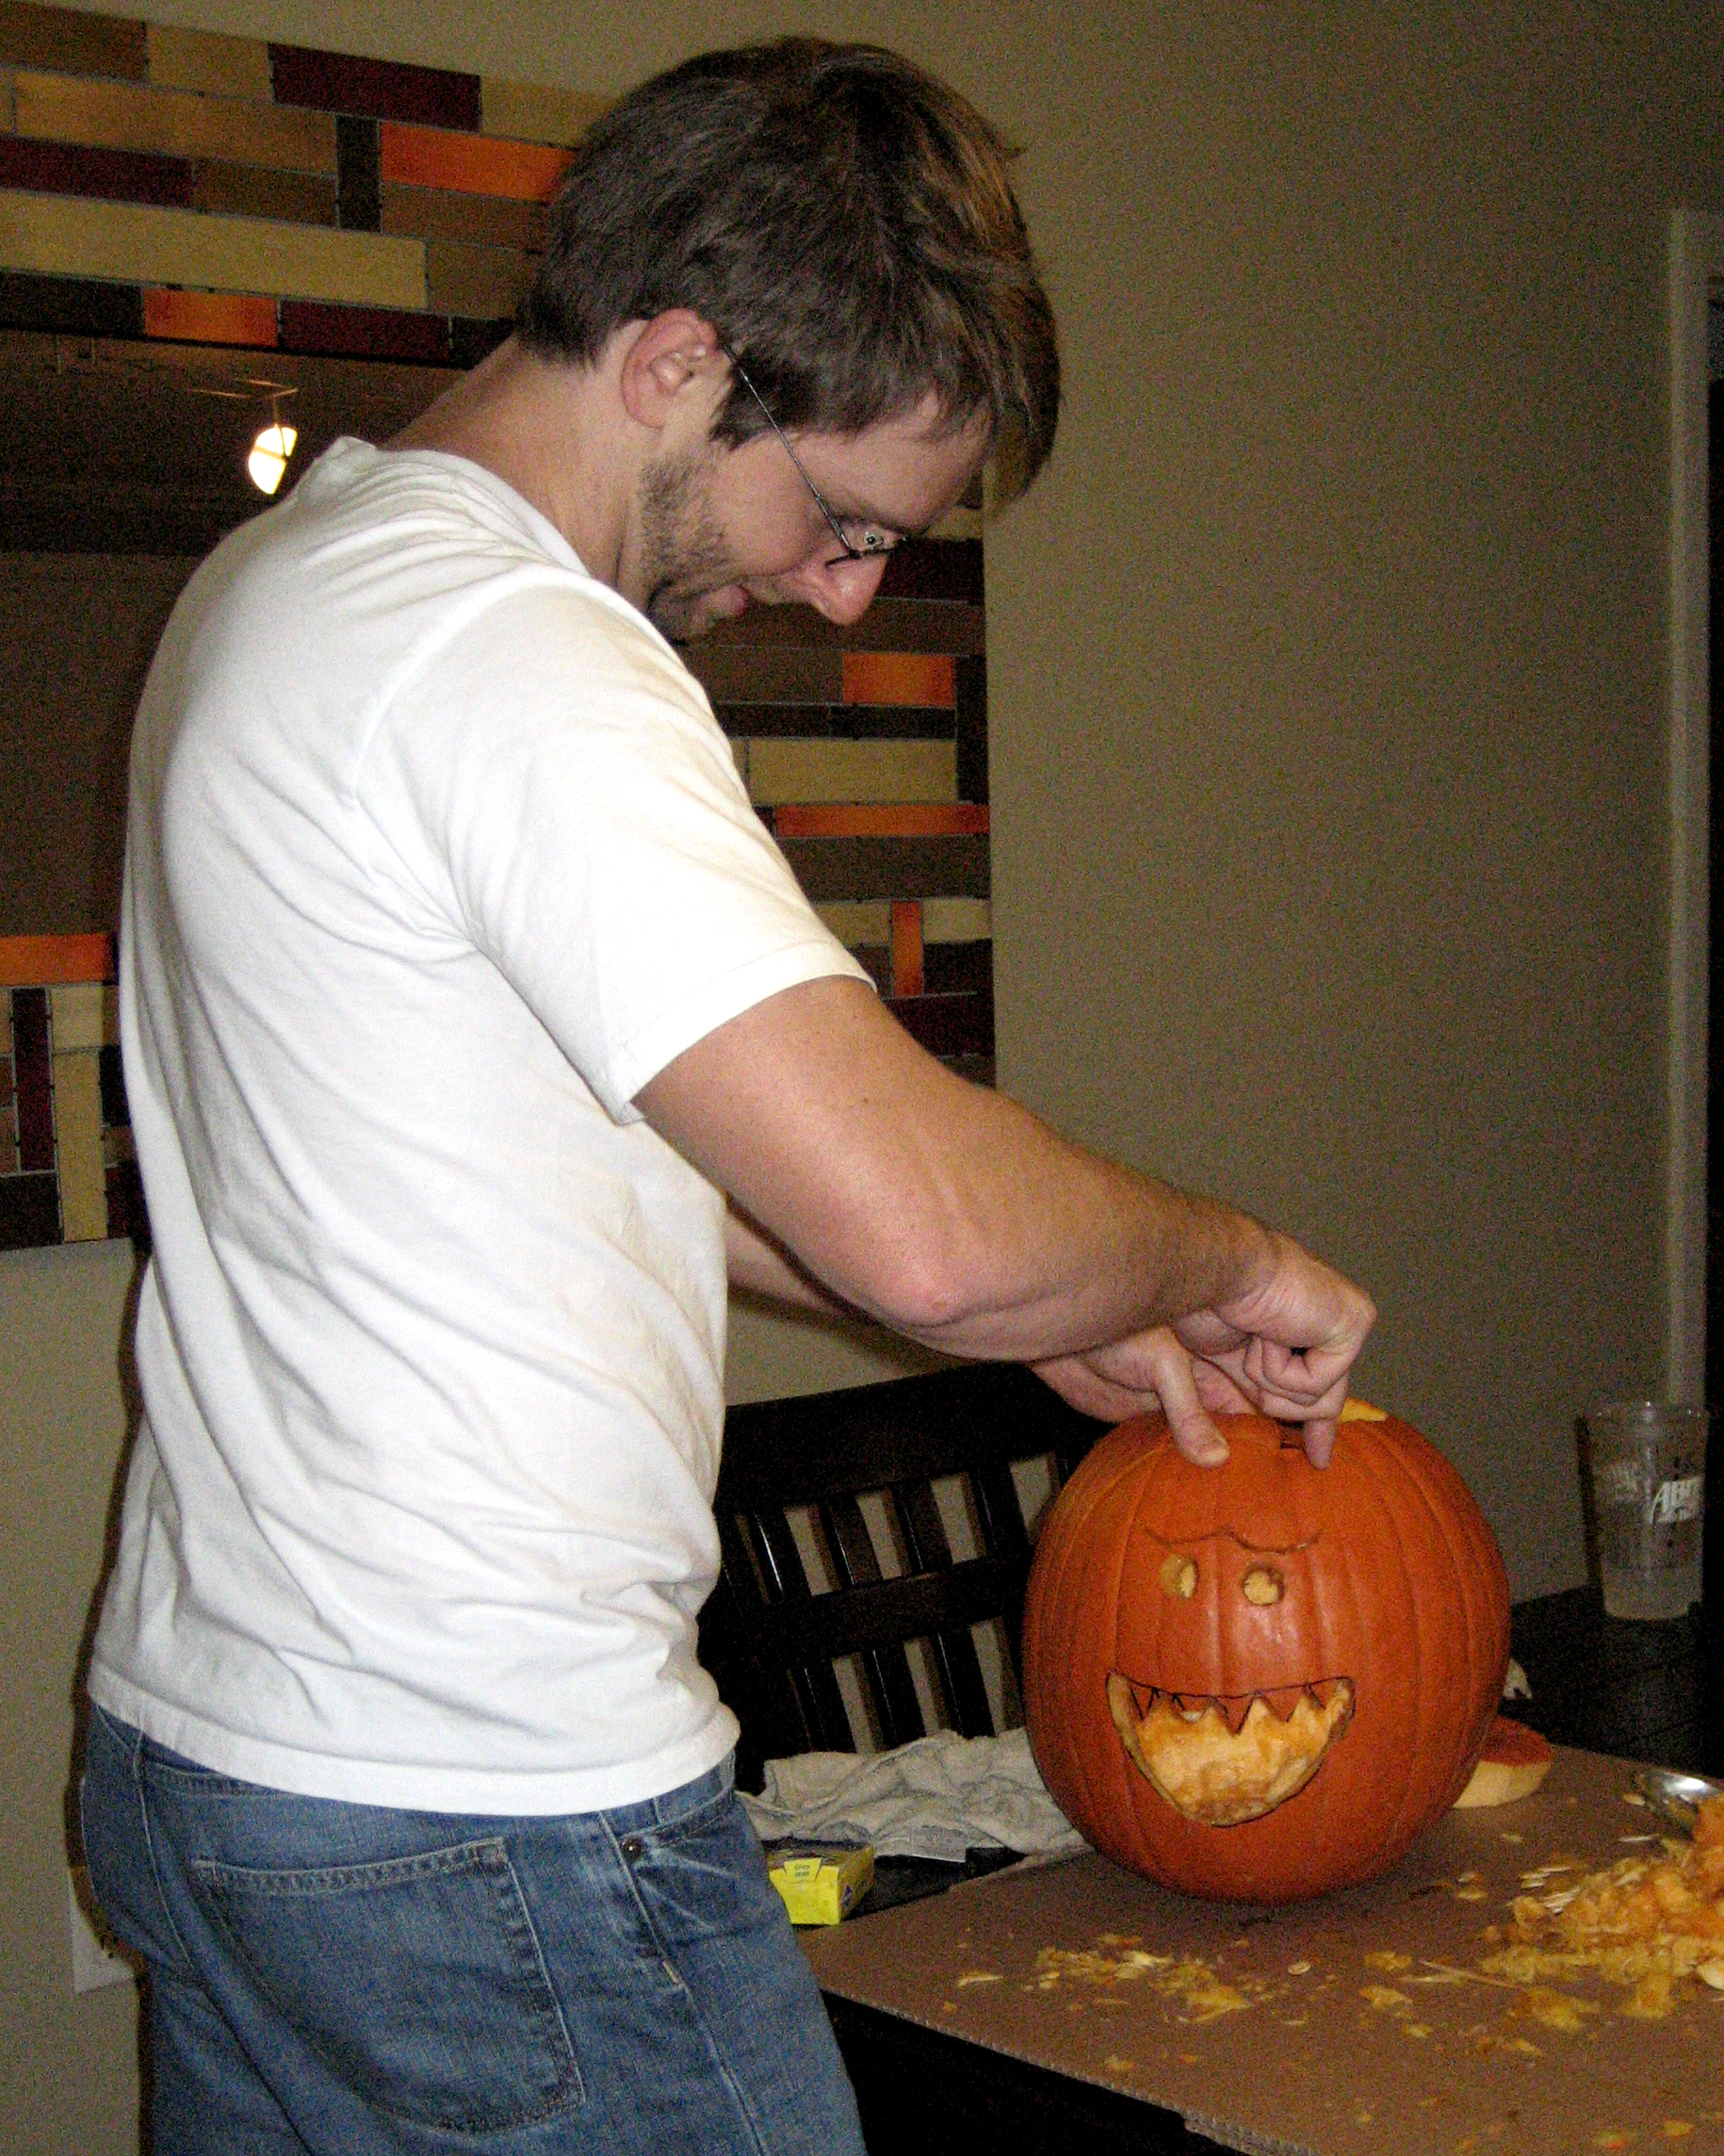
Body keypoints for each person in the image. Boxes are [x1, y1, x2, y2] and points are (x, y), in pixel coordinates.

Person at [78, 37, 1374, 2156]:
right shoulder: (513, 651)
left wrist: (1051, 1309)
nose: (847, 589)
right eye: (843, 518)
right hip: (482, 1816)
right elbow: (925, 1228)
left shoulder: (292, 583)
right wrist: (1218, 1255)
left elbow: (586, 1162)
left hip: (228, 1764)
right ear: (679, 361)